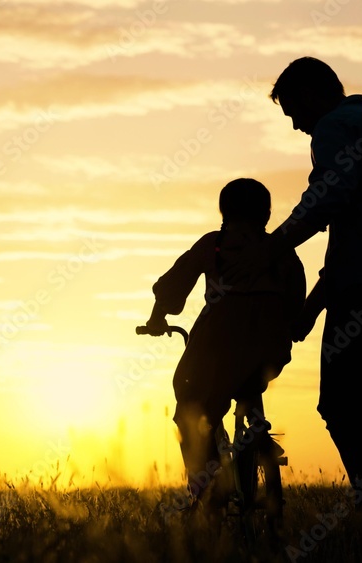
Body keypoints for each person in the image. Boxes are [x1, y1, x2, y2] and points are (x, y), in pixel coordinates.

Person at [226, 57, 362, 526]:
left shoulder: (335, 126)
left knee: (343, 401)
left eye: (292, 111)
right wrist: (313, 305)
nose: (295, 126)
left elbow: (327, 199)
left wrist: (270, 247)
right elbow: (359, 234)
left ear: (310, 94)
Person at [143, 178, 306, 507]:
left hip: (216, 349)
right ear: (267, 212)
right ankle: (258, 434)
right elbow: (296, 299)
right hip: (268, 351)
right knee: (249, 385)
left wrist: (157, 318)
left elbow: (173, 286)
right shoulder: (281, 250)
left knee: (190, 398)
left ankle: (207, 481)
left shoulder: (215, 245)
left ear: (224, 210)